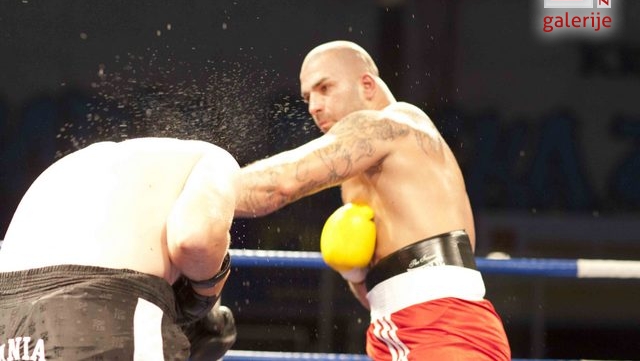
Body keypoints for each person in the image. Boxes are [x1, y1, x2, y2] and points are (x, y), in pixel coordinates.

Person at [234, 40, 511, 360]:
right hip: (399, 329)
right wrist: (354, 273)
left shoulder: (390, 123)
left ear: (367, 85)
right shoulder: (363, 176)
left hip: (443, 329)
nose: (314, 107)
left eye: (325, 88)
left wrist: (200, 188)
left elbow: (282, 183)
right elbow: (376, 296)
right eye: (308, 98)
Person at [0, 137, 239, 360]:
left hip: (8, 318)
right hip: (97, 309)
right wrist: (204, 295)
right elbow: (195, 242)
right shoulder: (214, 158)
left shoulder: (77, 172)